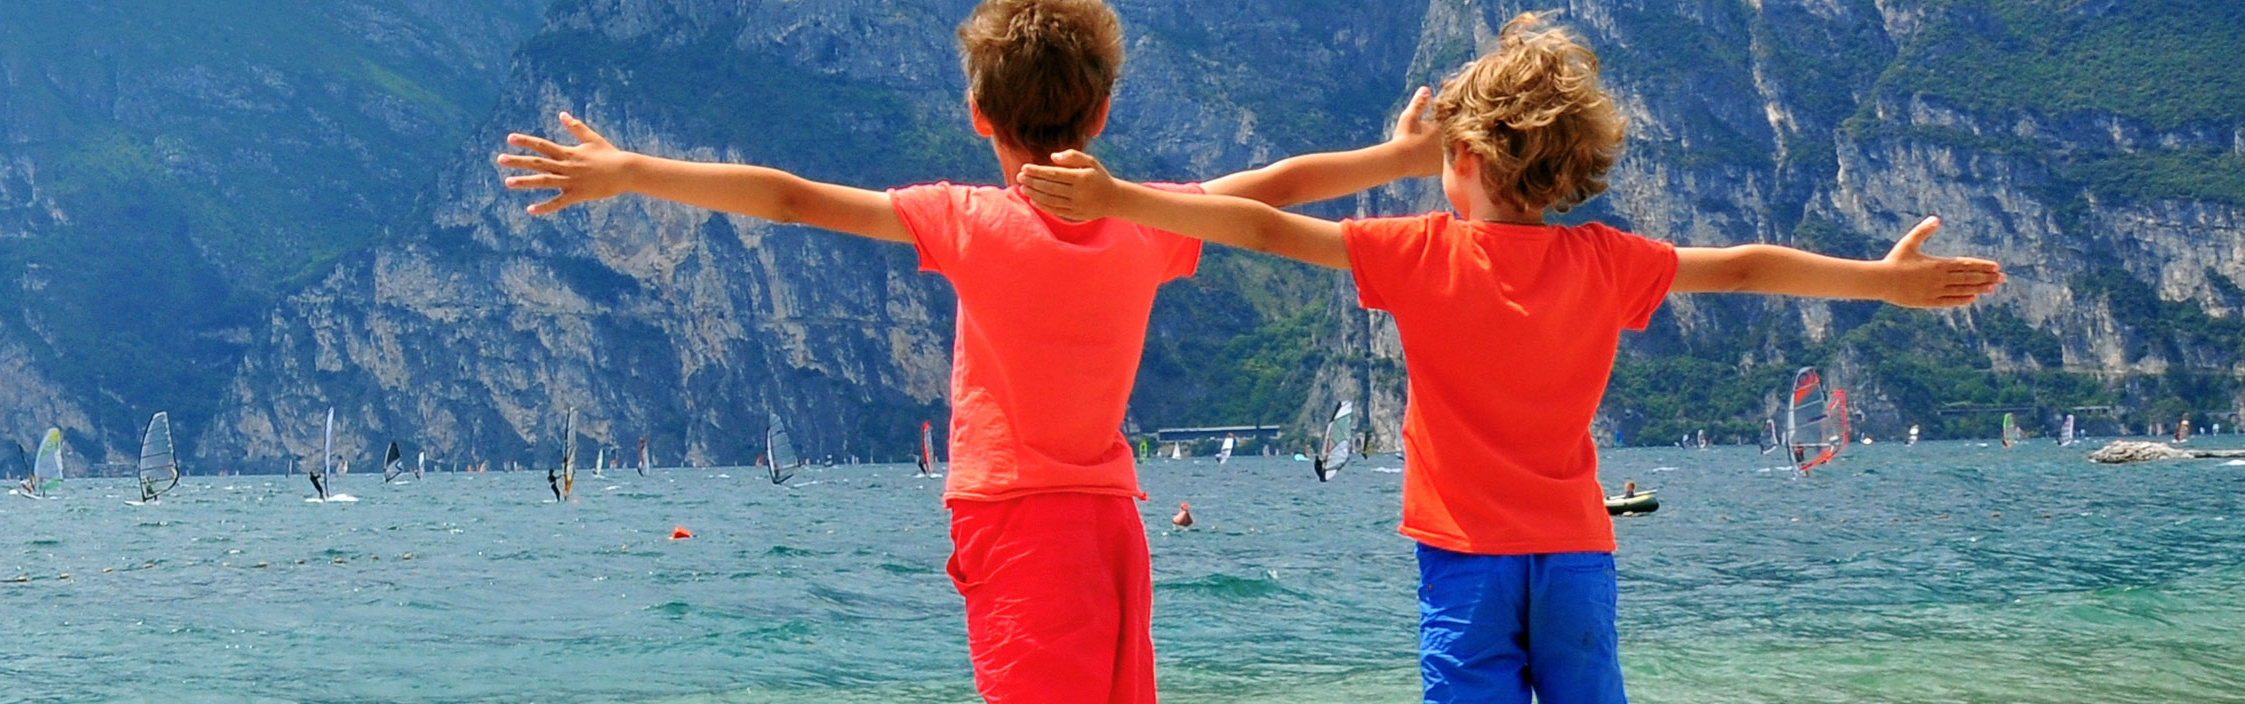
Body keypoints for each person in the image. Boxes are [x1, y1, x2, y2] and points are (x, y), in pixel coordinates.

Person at [1013, 13, 2004, 703]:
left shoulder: (1414, 251)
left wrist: (1121, 202)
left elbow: (1262, 228)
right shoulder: (1605, 260)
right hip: (1574, 552)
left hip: (1464, 559)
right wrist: (1883, 281)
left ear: (1465, 160)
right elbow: (1745, 267)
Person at [491, 1, 1442, 700]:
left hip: (1016, 528)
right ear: (1102, 114)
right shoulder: (1142, 224)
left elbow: (788, 196)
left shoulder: (967, 222)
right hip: (1115, 527)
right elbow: (1276, 185)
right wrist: (1398, 160)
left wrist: (631, 172)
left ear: (979, 113)